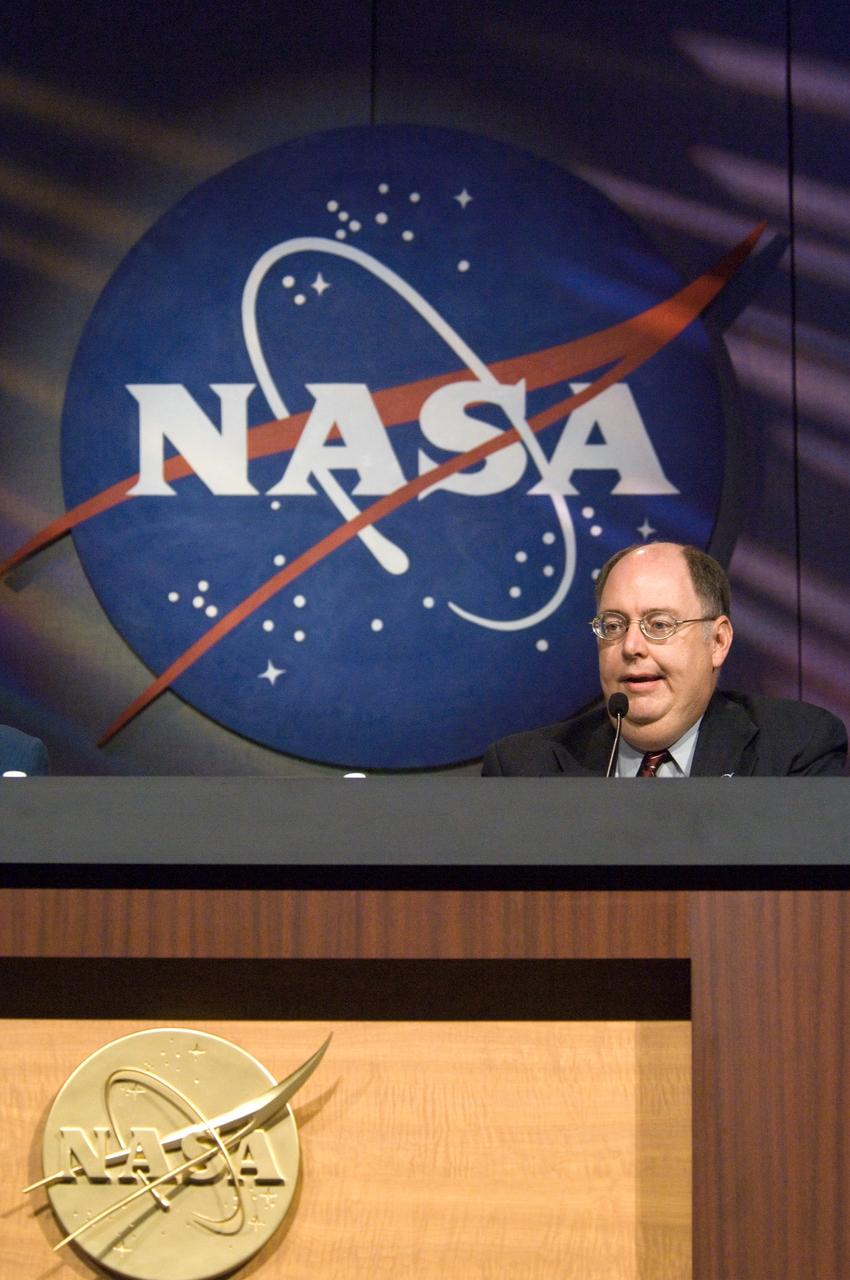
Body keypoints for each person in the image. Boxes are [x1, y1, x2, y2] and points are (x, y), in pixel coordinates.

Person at [482, 542, 847, 777]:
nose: (631, 646)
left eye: (659, 624)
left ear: (718, 641)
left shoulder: (793, 751)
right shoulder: (524, 770)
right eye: (613, 625)